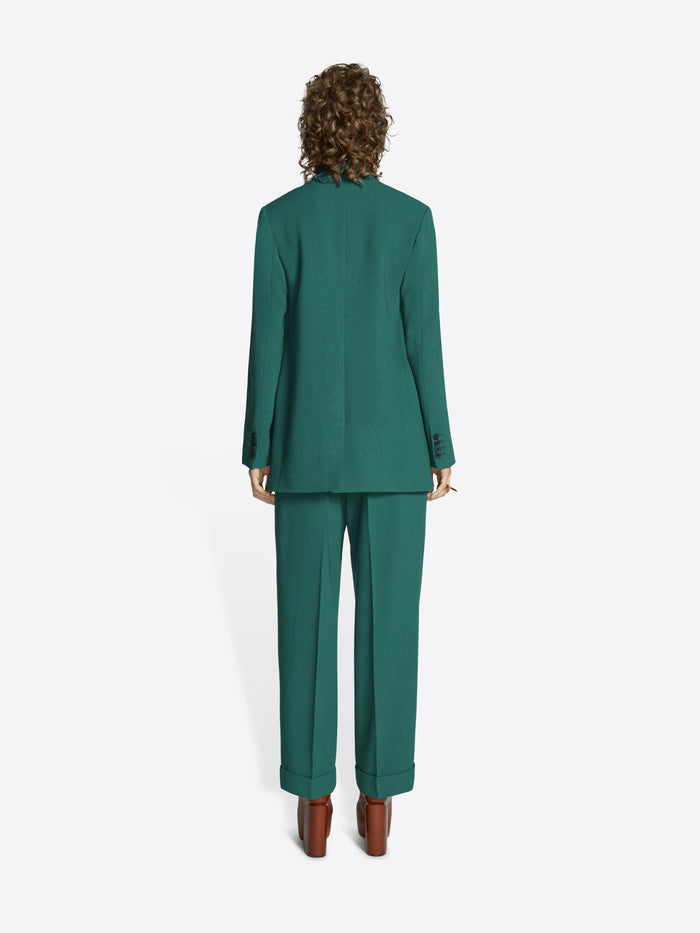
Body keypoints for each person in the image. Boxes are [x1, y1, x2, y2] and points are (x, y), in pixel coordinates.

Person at [242, 63, 457, 857]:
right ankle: (378, 807)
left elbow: (267, 341)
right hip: (395, 457)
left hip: (303, 452)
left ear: (312, 128)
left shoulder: (279, 221)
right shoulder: (411, 222)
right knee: (389, 631)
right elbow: (423, 344)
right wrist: (439, 445)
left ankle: (313, 807)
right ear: (377, 128)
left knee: (304, 628)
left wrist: (259, 445)